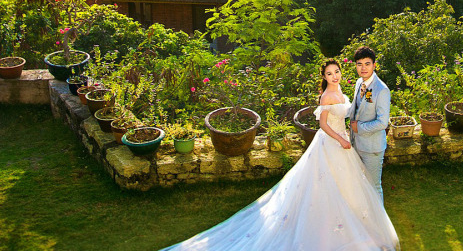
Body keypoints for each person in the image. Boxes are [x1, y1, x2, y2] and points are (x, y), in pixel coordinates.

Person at [159, 59, 398, 251]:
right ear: (323, 78)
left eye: (336, 72)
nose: (334, 76)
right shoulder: (326, 97)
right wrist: (342, 139)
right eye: (329, 74)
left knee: (349, 186)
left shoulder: (348, 89)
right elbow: (324, 125)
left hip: (345, 143)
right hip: (333, 142)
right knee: (328, 187)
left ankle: (362, 224)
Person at [348, 45, 391, 202]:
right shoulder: (359, 82)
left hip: (372, 147)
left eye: (367, 64)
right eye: (359, 64)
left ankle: (379, 224)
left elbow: (382, 122)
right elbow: (356, 108)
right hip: (356, 143)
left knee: (374, 187)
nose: (363, 68)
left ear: (374, 65)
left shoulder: (382, 90)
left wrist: (358, 128)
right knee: (360, 184)